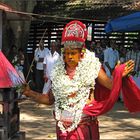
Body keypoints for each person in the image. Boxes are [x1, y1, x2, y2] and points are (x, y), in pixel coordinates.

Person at [22, 20, 140, 140]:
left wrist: (119, 74)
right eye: (67, 53)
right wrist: (29, 93)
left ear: (82, 53)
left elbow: (111, 86)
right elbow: (49, 99)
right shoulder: (59, 71)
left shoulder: (92, 66)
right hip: (63, 129)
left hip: (84, 127)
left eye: (73, 53)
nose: (69, 57)